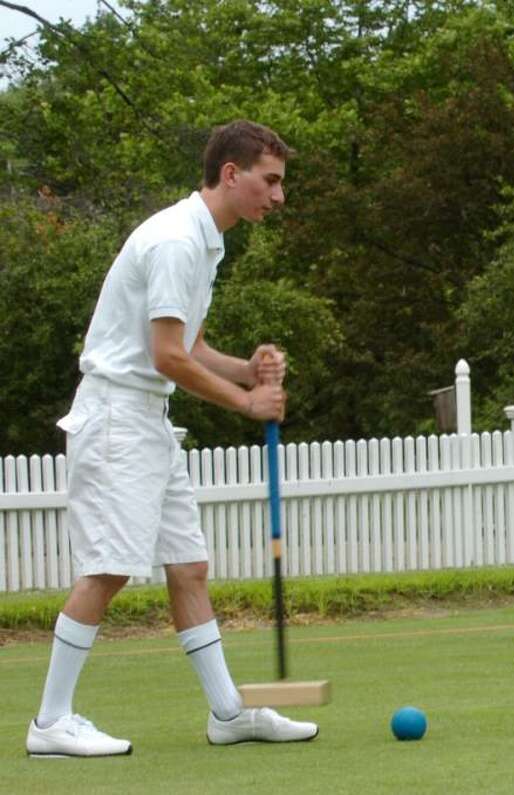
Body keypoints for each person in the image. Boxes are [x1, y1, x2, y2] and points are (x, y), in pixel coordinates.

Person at [26, 120, 319, 757]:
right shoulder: (177, 242)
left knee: (188, 568)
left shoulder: (206, 242)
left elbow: (189, 346)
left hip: (148, 422)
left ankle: (228, 713)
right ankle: (50, 722)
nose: (279, 196)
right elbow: (165, 356)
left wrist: (247, 367)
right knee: (107, 570)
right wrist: (248, 401)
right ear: (231, 174)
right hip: (115, 419)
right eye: (270, 182)